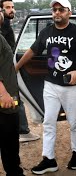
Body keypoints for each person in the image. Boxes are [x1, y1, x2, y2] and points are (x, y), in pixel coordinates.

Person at [15, 0, 76, 174]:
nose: (57, 13)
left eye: (61, 9)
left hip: (72, 87)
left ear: (69, 13)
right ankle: (49, 159)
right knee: (48, 122)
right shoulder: (46, 32)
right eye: (54, 10)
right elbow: (33, 50)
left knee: (74, 124)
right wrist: (16, 67)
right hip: (50, 85)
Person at [0, 0, 40, 143]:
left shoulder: (7, 25)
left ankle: (21, 129)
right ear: (1, 10)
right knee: (16, 100)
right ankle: (22, 130)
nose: (12, 10)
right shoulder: (3, 26)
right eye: (8, 7)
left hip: (8, 69)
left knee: (16, 100)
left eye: (13, 6)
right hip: (5, 73)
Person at [0, 9, 25, 176]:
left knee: (9, 140)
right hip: (4, 101)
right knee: (8, 140)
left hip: (7, 98)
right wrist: (2, 92)